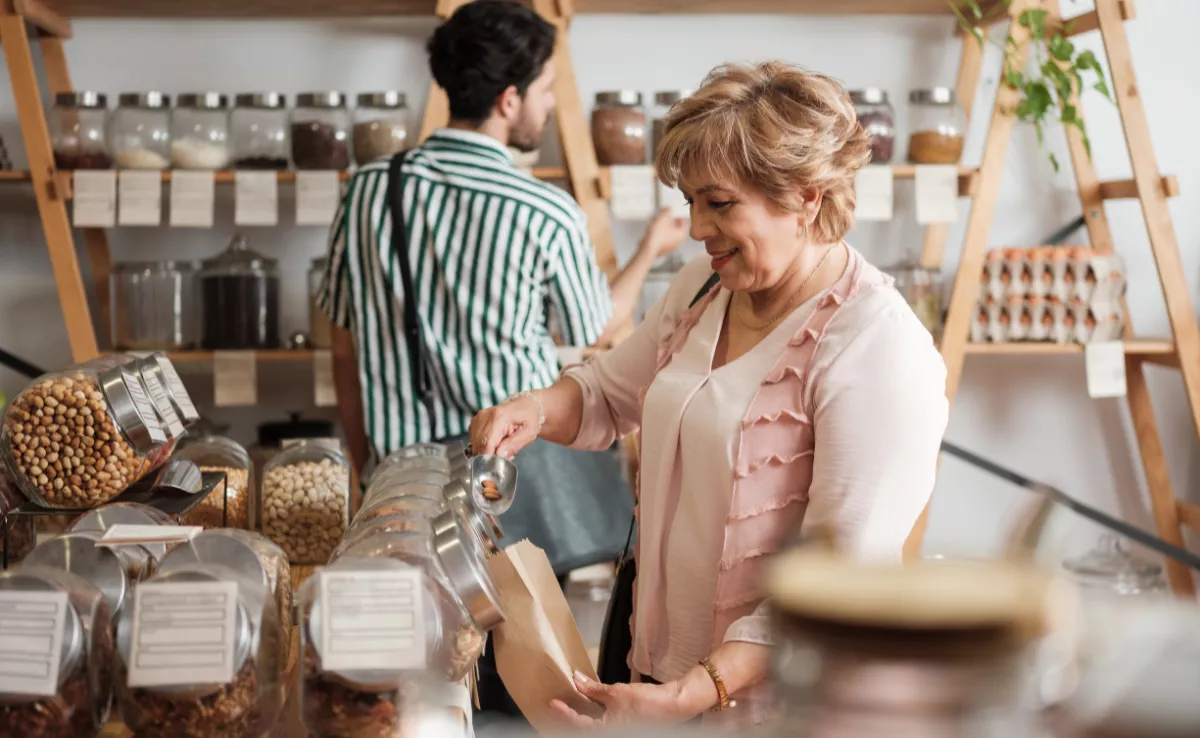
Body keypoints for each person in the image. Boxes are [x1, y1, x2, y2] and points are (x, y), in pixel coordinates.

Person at [469, 61, 950, 728]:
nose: (696, 227)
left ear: (806, 196)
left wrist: (698, 691)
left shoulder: (875, 346)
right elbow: (608, 395)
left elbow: (841, 579)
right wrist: (536, 408)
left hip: (770, 706)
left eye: (719, 203)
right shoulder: (705, 286)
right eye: (692, 201)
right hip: (656, 678)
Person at [316, 0, 686, 722]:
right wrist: (651, 251)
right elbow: (594, 327)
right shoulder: (541, 210)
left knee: (408, 690)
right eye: (546, 89)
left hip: (398, 486)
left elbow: (343, 340)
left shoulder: (367, 191)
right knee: (516, 688)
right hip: (510, 487)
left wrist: (367, 458)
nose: (547, 104)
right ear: (510, 98)